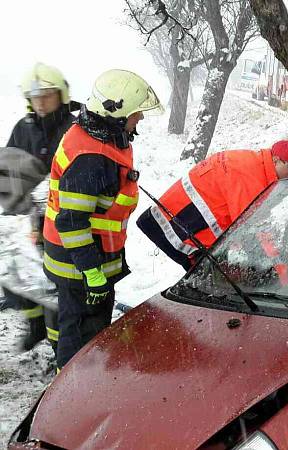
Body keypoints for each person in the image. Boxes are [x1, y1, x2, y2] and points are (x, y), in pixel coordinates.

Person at [43, 69, 162, 370]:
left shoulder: (97, 138)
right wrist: (93, 275)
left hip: (83, 260)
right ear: (117, 115)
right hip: (81, 266)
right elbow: (71, 222)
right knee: (82, 337)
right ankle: (72, 396)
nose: (141, 120)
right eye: (137, 114)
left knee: (76, 326)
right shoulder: (92, 160)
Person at [136, 141, 288, 270]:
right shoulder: (251, 176)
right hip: (177, 231)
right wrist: (277, 269)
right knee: (207, 290)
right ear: (276, 160)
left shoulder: (251, 163)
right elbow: (252, 229)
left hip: (175, 224)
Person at [2, 63, 77, 353]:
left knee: (56, 284)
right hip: (25, 217)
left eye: (47, 94)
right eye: (36, 96)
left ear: (61, 94)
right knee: (17, 275)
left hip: (61, 219)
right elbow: (9, 168)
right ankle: (35, 326)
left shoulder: (73, 128)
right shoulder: (23, 128)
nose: (42, 101)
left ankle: (60, 348)